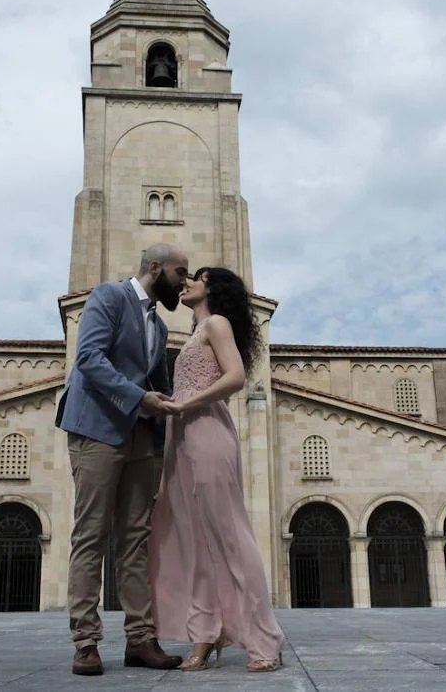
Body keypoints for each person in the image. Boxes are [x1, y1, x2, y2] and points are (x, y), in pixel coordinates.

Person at [56, 243, 191, 676]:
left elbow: (159, 382)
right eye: (179, 272)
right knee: (91, 534)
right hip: (97, 430)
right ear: (155, 268)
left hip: (141, 439)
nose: (184, 281)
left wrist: (170, 425)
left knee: (135, 541)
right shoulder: (108, 297)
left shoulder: (160, 324)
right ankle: (86, 642)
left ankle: (141, 639)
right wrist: (140, 398)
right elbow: (89, 359)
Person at [149, 266, 285, 673]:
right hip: (182, 437)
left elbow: (237, 377)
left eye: (198, 276)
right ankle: (203, 636)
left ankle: (265, 639)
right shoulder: (196, 330)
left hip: (207, 430)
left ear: (213, 288)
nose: (188, 281)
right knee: (194, 540)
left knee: (228, 535)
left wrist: (186, 403)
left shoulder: (217, 323)